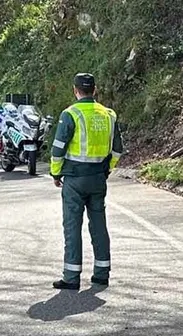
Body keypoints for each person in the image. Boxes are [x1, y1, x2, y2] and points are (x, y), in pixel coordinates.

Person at [50, 73, 123, 290]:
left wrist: (55, 173)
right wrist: (107, 170)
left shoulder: (71, 114)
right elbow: (117, 149)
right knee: (99, 225)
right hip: (99, 178)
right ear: (95, 89)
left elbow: (58, 148)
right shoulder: (109, 114)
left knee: (73, 227)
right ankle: (102, 273)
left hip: (74, 179)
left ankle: (71, 277)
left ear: (75, 90)